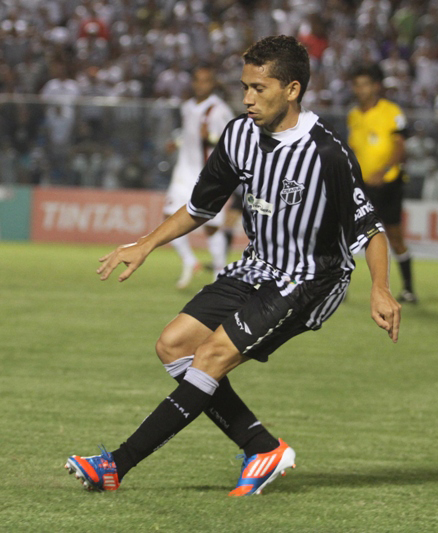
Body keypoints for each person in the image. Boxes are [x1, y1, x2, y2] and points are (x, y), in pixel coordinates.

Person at [65, 36, 401, 497]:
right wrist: (145, 244)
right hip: (257, 267)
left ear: (292, 89)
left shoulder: (327, 154)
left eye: (259, 88)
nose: (246, 98)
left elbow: (371, 228)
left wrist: (380, 288)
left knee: (211, 357)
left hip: (308, 280)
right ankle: (261, 447)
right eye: (244, 86)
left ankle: (115, 466)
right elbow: (201, 208)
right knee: (173, 346)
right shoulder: (239, 135)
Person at [348, 63, 417, 303]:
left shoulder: (391, 112)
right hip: (361, 186)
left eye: (365, 84)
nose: (360, 89)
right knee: (346, 234)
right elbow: (354, 149)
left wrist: (384, 170)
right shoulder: (354, 115)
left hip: (388, 184)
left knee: (395, 235)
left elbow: (400, 146)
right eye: (357, 85)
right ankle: (340, 288)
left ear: (376, 86)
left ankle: (408, 288)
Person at [164, 65, 235, 288]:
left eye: (206, 81)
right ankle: (190, 261)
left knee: (210, 226)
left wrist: (211, 137)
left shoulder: (219, 110)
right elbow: (189, 133)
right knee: (169, 219)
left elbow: (233, 140)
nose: (200, 85)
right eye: (197, 80)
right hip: (184, 172)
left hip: (209, 175)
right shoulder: (187, 107)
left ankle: (219, 272)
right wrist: (176, 143)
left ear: (213, 84)